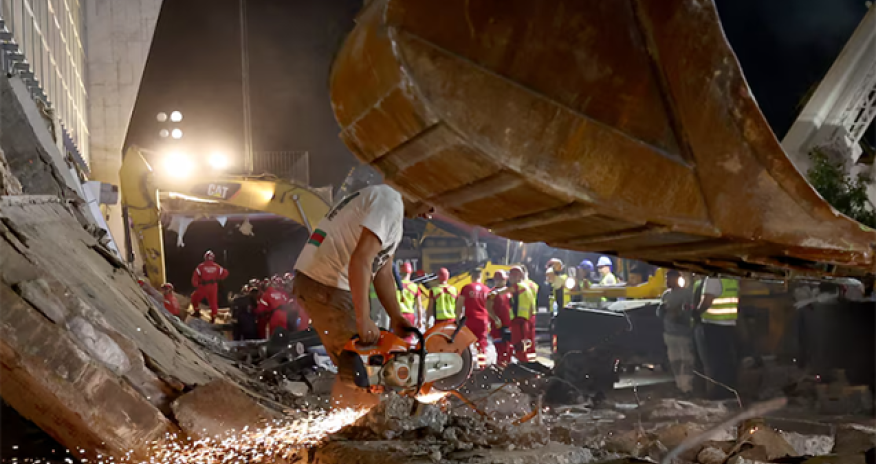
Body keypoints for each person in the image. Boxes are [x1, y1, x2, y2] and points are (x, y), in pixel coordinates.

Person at [292, 184, 433, 409]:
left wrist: (396, 317)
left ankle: (351, 421)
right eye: (432, 203)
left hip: (324, 283)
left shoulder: (390, 210)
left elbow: (382, 272)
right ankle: (367, 424)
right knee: (365, 362)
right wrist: (363, 318)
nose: (431, 213)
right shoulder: (389, 201)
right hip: (327, 284)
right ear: (418, 189)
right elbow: (361, 260)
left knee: (353, 361)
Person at [693, 276, 740, 399]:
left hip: (713, 325)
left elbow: (707, 300)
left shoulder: (712, 278)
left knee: (715, 361)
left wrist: (696, 312)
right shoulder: (731, 278)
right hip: (729, 323)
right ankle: (730, 391)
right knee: (727, 361)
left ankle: (719, 393)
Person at [657, 270, 695, 395]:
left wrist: (680, 314)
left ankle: (688, 387)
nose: (667, 281)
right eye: (666, 279)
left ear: (677, 279)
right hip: (669, 333)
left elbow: (691, 310)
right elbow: (659, 313)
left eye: (670, 278)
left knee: (686, 361)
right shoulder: (666, 295)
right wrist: (661, 310)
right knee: (675, 361)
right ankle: (680, 386)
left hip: (683, 333)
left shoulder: (687, 294)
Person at [457, 268, 490, 368]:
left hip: (470, 319)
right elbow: (490, 307)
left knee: (465, 343)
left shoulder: (466, 288)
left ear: (472, 276)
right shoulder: (487, 290)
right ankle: (481, 366)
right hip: (483, 320)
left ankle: (466, 366)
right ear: (481, 276)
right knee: (481, 344)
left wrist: (458, 319)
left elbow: (459, 305)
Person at [190, 250, 229, 323]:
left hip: (203, 286)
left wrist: (196, 284)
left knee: (194, 298)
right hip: (213, 286)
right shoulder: (217, 266)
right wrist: (219, 277)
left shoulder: (201, 266)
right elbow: (225, 273)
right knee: (213, 302)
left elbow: (195, 276)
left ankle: (197, 311)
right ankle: (213, 318)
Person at [487, 270, 513, 366]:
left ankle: (507, 365)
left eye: (502, 280)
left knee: (509, 347)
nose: (500, 282)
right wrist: (495, 318)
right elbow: (488, 307)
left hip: (508, 324)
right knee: (500, 348)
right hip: (497, 325)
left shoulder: (508, 292)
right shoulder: (492, 293)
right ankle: (500, 366)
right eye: (498, 280)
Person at [397, 261, 423, 330]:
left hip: (397, 315)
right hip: (410, 315)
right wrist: (420, 320)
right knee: (408, 338)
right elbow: (419, 306)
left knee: (396, 338)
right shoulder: (415, 287)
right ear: (410, 272)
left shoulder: (394, 285)